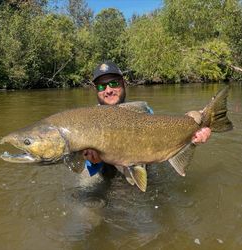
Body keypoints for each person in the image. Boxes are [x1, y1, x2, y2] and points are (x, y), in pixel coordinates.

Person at [83, 61, 211, 179]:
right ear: (96, 90)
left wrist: (194, 129)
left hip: (139, 168)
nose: (108, 90)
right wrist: (94, 161)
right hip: (102, 174)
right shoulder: (86, 122)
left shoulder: (143, 113)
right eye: (101, 87)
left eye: (114, 83)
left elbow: (168, 130)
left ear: (123, 83)